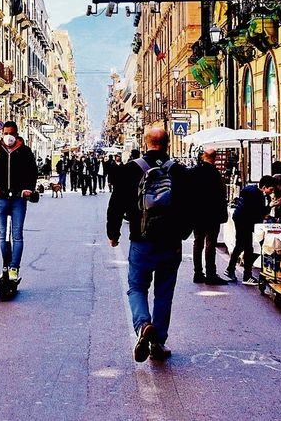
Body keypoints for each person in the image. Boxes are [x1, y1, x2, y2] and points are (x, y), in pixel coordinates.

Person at [107, 128, 190, 363]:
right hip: (171, 242)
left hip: (141, 240)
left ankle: (143, 325)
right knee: (164, 294)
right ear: (168, 143)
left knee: (136, 287)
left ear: (146, 143)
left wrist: (113, 233)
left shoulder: (132, 169)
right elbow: (189, 206)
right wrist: (183, 233)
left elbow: (116, 203)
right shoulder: (179, 171)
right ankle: (158, 343)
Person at [0, 121, 38, 282]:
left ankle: (14, 268)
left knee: (17, 235)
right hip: (1, 198)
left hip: (19, 199)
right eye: (5, 133)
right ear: (2, 134)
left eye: (11, 133)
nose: (8, 136)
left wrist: (28, 188)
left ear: (16, 134)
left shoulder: (25, 152)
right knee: (2, 236)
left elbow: (32, 172)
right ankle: (5, 267)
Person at [191, 149, 229, 285]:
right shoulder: (215, 173)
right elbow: (221, 195)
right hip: (212, 214)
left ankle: (198, 273)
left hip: (197, 214)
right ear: (215, 158)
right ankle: (210, 274)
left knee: (198, 243)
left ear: (203, 156)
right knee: (210, 243)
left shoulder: (194, 171)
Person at [226, 176, 271, 285]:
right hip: (245, 221)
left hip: (240, 218)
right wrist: (270, 206)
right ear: (264, 187)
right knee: (247, 248)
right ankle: (246, 276)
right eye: (270, 189)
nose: (271, 192)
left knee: (240, 245)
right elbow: (259, 213)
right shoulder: (258, 195)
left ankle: (230, 269)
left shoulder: (249, 189)